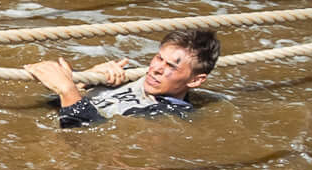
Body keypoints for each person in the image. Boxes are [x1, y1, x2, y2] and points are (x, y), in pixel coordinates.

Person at [22, 29, 221, 128]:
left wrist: (67, 89)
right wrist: (87, 79)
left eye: (171, 66)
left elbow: (90, 134)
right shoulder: (128, 77)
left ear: (195, 80)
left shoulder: (170, 116)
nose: (156, 69)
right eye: (159, 58)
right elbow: (48, 104)